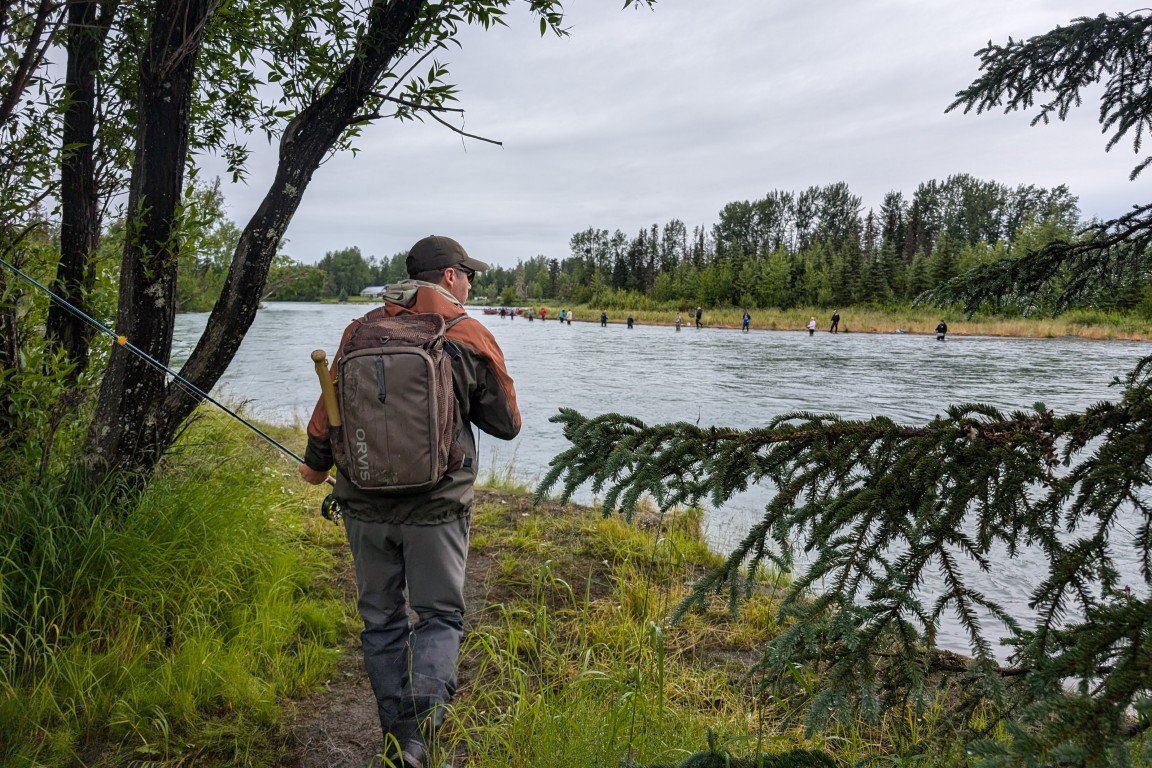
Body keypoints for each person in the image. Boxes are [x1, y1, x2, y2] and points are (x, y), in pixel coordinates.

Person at [299, 235, 521, 768]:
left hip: (363, 501)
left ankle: (396, 736)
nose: (471, 282)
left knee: (381, 621)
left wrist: (316, 467)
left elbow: (325, 414)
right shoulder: (467, 332)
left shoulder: (358, 332)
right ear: (448, 276)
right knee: (439, 617)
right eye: (468, 273)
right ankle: (418, 741)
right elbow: (507, 425)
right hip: (437, 506)